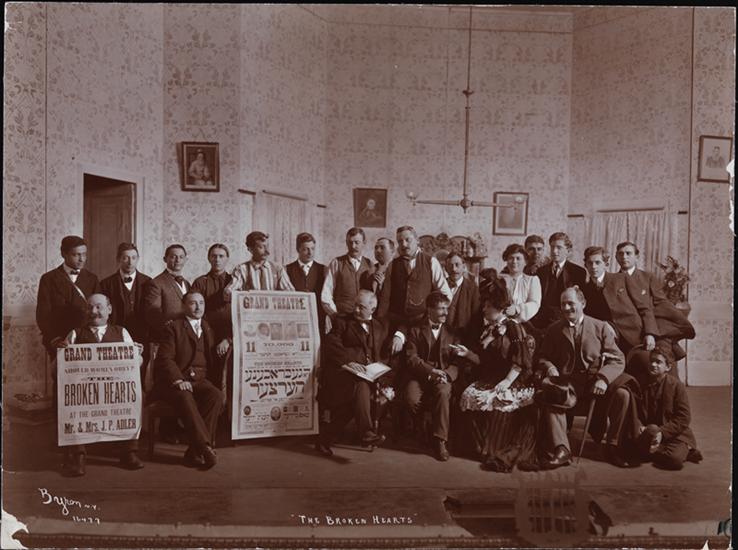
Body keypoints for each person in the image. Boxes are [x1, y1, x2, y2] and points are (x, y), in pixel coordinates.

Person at [536, 287, 640, 469]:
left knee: (622, 395)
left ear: (583, 304)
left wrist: (603, 379)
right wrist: (550, 366)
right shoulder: (554, 329)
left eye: (571, 303)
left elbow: (618, 358)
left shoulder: (601, 327)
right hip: (570, 384)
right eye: (563, 304)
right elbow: (542, 357)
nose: (566, 308)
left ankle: (613, 445)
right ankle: (562, 449)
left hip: (596, 382)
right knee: (551, 395)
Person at [55, 294, 145, 476]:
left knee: (133, 396)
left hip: (114, 389)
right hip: (85, 390)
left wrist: (137, 354)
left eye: (98, 307)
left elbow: (136, 365)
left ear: (109, 310)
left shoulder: (122, 332)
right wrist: (61, 354)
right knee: (72, 401)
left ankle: (128, 452)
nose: (93, 311)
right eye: (89, 308)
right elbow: (59, 368)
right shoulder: (75, 334)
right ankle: (78, 456)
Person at [456, 278, 537, 472]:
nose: (484, 309)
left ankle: (493, 449)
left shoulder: (513, 327)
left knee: (497, 400)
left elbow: (521, 360)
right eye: (484, 305)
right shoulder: (489, 329)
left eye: (488, 305)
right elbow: (484, 360)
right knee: (468, 395)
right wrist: (467, 354)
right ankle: (481, 448)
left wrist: (507, 381)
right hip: (492, 377)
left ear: (499, 308)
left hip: (514, 378)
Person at [153, 292, 223, 469]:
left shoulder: (207, 327)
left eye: (201, 303)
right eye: (193, 303)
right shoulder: (173, 327)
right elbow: (165, 359)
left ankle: (194, 452)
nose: (198, 307)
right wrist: (178, 379)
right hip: (174, 382)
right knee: (185, 396)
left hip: (199, 380)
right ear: (184, 306)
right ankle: (205, 447)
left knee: (215, 395)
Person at [317, 290, 390, 455]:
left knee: (358, 395)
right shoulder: (342, 322)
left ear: (372, 309)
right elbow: (331, 344)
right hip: (341, 374)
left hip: (368, 377)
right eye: (355, 305)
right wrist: (349, 361)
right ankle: (366, 433)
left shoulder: (379, 327)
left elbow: (381, 357)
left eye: (361, 307)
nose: (356, 309)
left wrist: (385, 382)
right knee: (360, 388)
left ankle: (325, 439)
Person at [376, 226, 453, 355]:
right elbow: (385, 299)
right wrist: (380, 326)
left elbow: (446, 295)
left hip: (422, 326)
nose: (404, 244)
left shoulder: (431, 262)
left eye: (408, 240)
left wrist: (432, 317)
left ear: (417, 241)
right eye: (400, 241)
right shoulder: (392, 265)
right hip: (396, 324)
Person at [582, 246, 657, 376]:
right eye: (590, 263)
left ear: (606, 264)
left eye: (598, 262)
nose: (594, 267)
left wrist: (650, 334)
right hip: (606, 341)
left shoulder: (621, 279)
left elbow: (644, 307)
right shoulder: (584, 289)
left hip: (634, 336)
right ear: (586, 265)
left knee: (645, 368)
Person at [404, 292, 462, 461]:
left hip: (443, 376)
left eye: (447, 308)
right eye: (441, 309)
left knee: (443, 393)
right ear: (429, 310)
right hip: (420, 375)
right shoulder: (415, 330)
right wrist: (430, 371)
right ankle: (421, 428)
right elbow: (411, 358)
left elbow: (457, 361)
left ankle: (440, 440)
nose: (446, 312)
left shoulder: (453, 332)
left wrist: (447, 375)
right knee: (411, 399)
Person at [615, 241, 695, 362]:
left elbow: (661, 304)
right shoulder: (613, 281)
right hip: (627, 329)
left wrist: (651, 332)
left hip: (652, 326)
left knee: (662, 356)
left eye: (628, 253)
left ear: (636, 257)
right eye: (620, 254)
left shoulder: (648, 277)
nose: (624, 257)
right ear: (616, 257)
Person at [630, 343, 702, 470]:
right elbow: (635, 412)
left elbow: (684, 418)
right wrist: (640, 426)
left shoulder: (676, 386)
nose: (653, 365)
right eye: (651, 361)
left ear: (668, 367)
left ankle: (678, 450)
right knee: (631, 450)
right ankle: (661, 450)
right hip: (650, 431)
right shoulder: (641, 384)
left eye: (658, 362)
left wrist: (662, 432)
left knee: (674, 460)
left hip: (673, 434)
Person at [36, 236, 101, 357]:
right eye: (76, 255)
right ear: (63, 254)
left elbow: (99, 310)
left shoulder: (92, 279)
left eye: (84, 254)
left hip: (87, 341)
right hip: (60, 341)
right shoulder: (48, 279)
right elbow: (43, 315)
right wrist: (54, 339)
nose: (82, 259)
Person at [192, 244, 233, 397]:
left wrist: (228, 339)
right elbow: (195, 312)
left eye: (221, 256)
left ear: (227, 259)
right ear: (209, 258)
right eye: (214, 256)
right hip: (206, 337)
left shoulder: (235, 282)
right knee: (209, 377)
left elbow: (241, 314)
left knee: (230, 379)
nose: (217, 259)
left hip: (230, 338)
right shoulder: (200, 282)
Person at [100, 242, 152, 364]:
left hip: (142, 336)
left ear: (138, 259)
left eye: (133, 258)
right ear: (118, 259)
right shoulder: (106, 284)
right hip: (116, 336)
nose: (130, 262)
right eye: (125, 258)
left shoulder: (148, 282)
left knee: (140, 371)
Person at [531, 232, 586, 332]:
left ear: (568, 251)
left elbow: (579, 303)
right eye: (552, 247)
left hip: (566, 320)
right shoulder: (541, 271)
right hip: (542, 321)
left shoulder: (578, 272)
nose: (554, 251)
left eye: (559, 247)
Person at [143, 244, 192, 343]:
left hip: (186, 337)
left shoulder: (187, 283)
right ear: (165, 259)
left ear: (186, 260)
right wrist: (170, 329)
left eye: (181, 257)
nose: (178, 260)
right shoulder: (156, 283)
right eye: (173, 257)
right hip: (167, 337)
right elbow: (153, 313)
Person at [321, 227, 372, 319]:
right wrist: (334, 314)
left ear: (364, 243)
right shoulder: (336, 263)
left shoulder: (369, 264)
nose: (353, 246)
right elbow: (326, 293)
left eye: (357, 242)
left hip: (363, 318)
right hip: (342, 317)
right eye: (350, 242)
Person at [226, 231, 294, 294]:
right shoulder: (242, 269)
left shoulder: (278, 269)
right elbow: (228, 292)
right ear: (251, 249)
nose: (267, 251)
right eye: (261, 247)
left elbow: (291, 293)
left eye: (267, 246)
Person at [285, 233, 327, 334]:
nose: (310, 253)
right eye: (306, 249)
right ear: (298, 249)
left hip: (317, 318)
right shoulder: (287, 270)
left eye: (312, 249)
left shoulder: (323, 270)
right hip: (295, 318)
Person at [499, 244, 541, 328]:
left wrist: (517, 309)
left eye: (518, 258)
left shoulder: (532, 281)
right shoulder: (500, 280)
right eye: (511, 258)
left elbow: (534, 303)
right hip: (500, 322)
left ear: (525, 262)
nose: (514, 262)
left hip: (524, 324)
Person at [444, 252, 480, 334]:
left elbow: (476, 318)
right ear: (446, 268)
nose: (454, 269)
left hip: (464, 335)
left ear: (464, 267)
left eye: (457, 265)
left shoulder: (473, 289)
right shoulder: (440, 286)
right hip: (442, 336)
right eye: (450, 265)